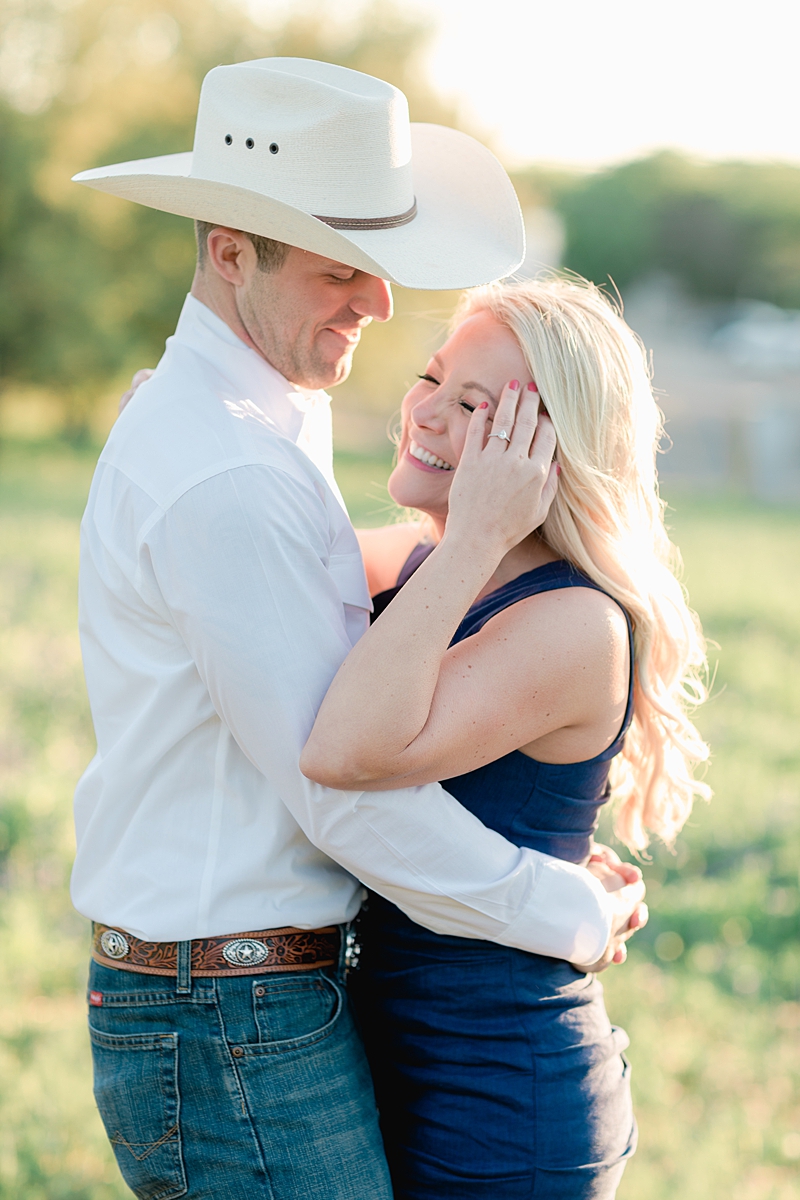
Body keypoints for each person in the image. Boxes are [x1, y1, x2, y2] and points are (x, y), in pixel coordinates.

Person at [71, 58, 645, 1199]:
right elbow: (334, 784)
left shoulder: (258, 427)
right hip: (225, 1009)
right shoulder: (228, 466)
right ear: (231, 249)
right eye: (342, 271)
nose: (377, 305)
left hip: (258, 1001)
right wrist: (563, 905)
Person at [301, 277, 711, 1198]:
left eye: (476, 406)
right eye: (430, 379)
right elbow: (261, 542)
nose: (427, 415)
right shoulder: (419, 565)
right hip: (378, 1060)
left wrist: (476, 536)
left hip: (496, 1097)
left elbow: (343, 751)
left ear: (543, 455)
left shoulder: (573, 624)